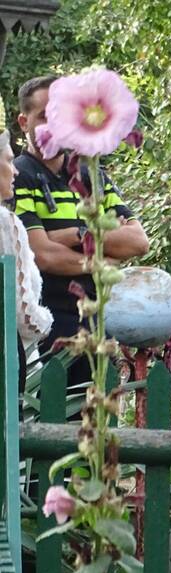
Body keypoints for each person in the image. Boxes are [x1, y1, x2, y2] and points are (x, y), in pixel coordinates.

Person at [13, 75, 148, 390]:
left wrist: (75, 233)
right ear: (24, 121)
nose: (55, 125)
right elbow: (41, 255)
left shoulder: (91, 174)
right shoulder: (18, 176)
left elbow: (137, 240)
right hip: (46, 327)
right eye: (44, 116)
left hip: (98, 323)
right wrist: (102, 262)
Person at [0, 95, 52, 392]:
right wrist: (46, 323)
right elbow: (22, 315)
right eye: (9, 160)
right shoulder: (5, 223)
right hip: (7, 353)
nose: (16, 170)